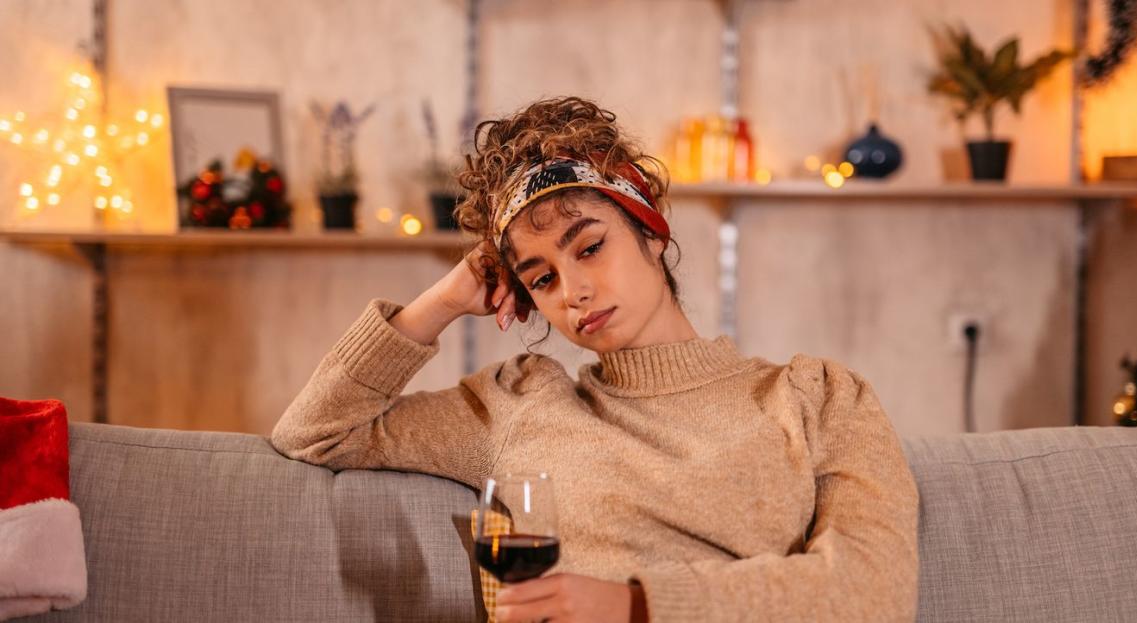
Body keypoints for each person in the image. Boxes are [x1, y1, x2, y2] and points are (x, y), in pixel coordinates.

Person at [270, 96, 920, 623]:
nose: (573, 291)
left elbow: (875, 590)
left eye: (588, 247)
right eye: (541, 278)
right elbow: (317, 429)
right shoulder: (520, 401)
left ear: (650, 229)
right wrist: (440, 300)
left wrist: (635, 603)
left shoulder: (818, 396)